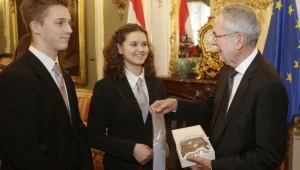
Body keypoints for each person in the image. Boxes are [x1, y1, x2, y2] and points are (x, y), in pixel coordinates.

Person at [150, 3, 288, 170]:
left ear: (238, 40)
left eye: (216, 35)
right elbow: (211, 107)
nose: (212, 41)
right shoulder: (228, 69)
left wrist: (215, 166)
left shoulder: (269, 85)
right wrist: (176, 105)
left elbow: (269, 156)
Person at [0, 0, 93, 170]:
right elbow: (24, 149)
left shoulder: (63, 75)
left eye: (69, 23)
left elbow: (77, 133)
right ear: (36, 27)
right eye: (60, 23)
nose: (69, 30)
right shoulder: (14, 77)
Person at [87, 23, 167, 170]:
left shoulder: (156, 83)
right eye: (134, 44)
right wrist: (132, 149)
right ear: (119, 48)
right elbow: (94, 137)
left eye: (144, 44)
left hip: (155, 165)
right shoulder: (105, 87)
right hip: (120, 165)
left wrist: (164, 143)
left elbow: (162, 123)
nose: (141, 49)